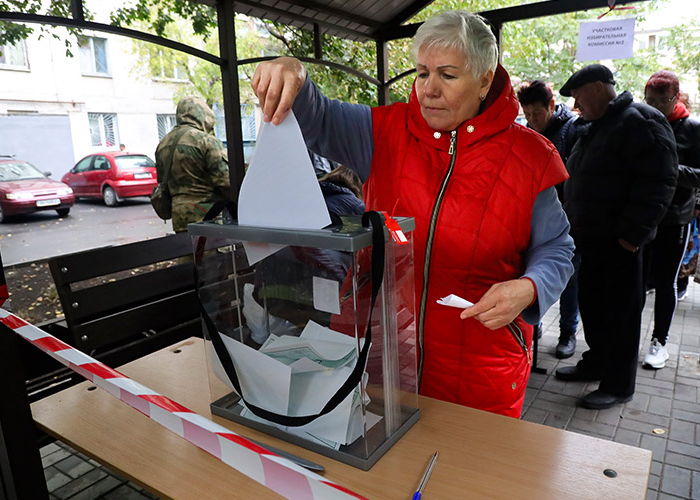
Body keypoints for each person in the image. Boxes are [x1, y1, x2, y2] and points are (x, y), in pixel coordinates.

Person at [251, 10, 574, 418]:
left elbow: (556, 248)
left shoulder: (530, 156)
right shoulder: (383, 131)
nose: (428, 90)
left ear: (485, 80)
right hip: (380, 353)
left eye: (448, 75)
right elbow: (318, 114)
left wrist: (529, 287)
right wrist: (292, 72)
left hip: (480, 369)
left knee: (468, 477)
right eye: (422, 73)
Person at [554, 64, 678, 409]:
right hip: (591, 239)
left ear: (596, 88)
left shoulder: (641, 120)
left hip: (619, 242)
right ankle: (596, 363)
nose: (576, 105)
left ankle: (619, 384)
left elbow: (661, 180)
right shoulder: (597, 126)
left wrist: (633, 233)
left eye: (578, 96)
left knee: (621, 314)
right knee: (593, 306)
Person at [641, 70, 700, 369]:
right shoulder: (642, 121)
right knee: (636, 282)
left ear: (676, 98)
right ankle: (627, 338)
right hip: (642, 216)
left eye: (663, 100)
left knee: (665, 282)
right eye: (650, 100)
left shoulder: (694, 128)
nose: (656, 106)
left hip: (674, 218)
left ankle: (660, 341)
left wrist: (671, 170)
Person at [517, 80, 585, 359]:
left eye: (538, 113)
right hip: (533, 219)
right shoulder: (524, 135)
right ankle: (537, 324)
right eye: (528, 114)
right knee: (531, 276)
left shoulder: (572, 131)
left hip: (568, 221)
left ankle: (568, 331)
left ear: (552, 106)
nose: (533, 120)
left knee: (568, 279)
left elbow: (577, 180)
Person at [154, 96, 232, 232]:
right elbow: (226, 181)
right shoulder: (206, 141)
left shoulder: (163, 144)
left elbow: (162, 182)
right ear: (202, 115)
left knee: (186, 251)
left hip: (179, 218)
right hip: (208, 216)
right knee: (211, 252)